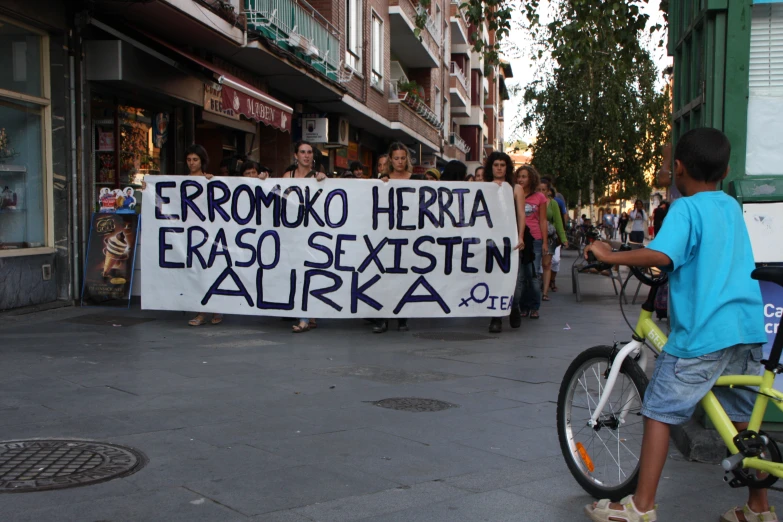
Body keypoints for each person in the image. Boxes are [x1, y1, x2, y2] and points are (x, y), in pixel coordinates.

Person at [583, 127, 769, 522]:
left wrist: (608, 254)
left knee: (659, 410)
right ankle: (757, 507)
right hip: (747, 329)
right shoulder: (730, 206)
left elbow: (663, 255)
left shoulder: (686, 209)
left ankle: (641, 505)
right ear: (727, 169)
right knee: (742, 421)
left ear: (678, 167)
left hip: (704, 333)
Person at [283, 141, 327, 333]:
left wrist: (324, 182)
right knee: (299, 272)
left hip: (313, 233)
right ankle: (308, 315)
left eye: (309, 152)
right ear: (296, 155)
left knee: (310, 272)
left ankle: (305, 317)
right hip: (293, 232)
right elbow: (278, 199)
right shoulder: (288, 176)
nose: (306, 155)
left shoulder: (319, 177)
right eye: (302, 152)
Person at [486, 152, 528, 333]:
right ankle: (496, 318)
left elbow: (521, 214)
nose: (499, 168)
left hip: (510, 239)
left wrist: (520, 236)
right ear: (491, 167)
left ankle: (514, 305)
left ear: (507, 167)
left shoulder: (516, 189)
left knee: (514, 280)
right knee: (494, 278)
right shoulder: (484, 187)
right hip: (489, 240)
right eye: (496, 165)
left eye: (502, 165)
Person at [374, 142, 414, 334]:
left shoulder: (417, 179)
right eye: (396, 158)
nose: (399, 162)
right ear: (391, 159)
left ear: (407, 159)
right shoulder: (383, 179)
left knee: (403, 278)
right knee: (384, 277)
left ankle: (401, 317)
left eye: (402, 158)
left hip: (409, 237)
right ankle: (382, 317)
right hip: (386, 237)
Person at [513, 165, 548, 320]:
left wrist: (545, 242)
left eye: (524, 176)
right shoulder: (513, 194)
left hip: (534, 239)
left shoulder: (539, 197)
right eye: (519, 176)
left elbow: (543, 220)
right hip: (518, 238)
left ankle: (534, 307)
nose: (521, 179)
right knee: (519, 276)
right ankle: (522, 306)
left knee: (532, 275)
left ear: (531, 178)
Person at [539, 182, 567, 301]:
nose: (541, 191)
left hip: (550, 237)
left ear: (548, 191)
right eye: (538, 189)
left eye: (543, 189)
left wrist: (563, 238)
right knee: (535, 265)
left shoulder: (553, 204)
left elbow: (559, 222)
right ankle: (536, 289)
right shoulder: (532, 201)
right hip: (535, 236)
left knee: (547, 264)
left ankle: (545, 292)